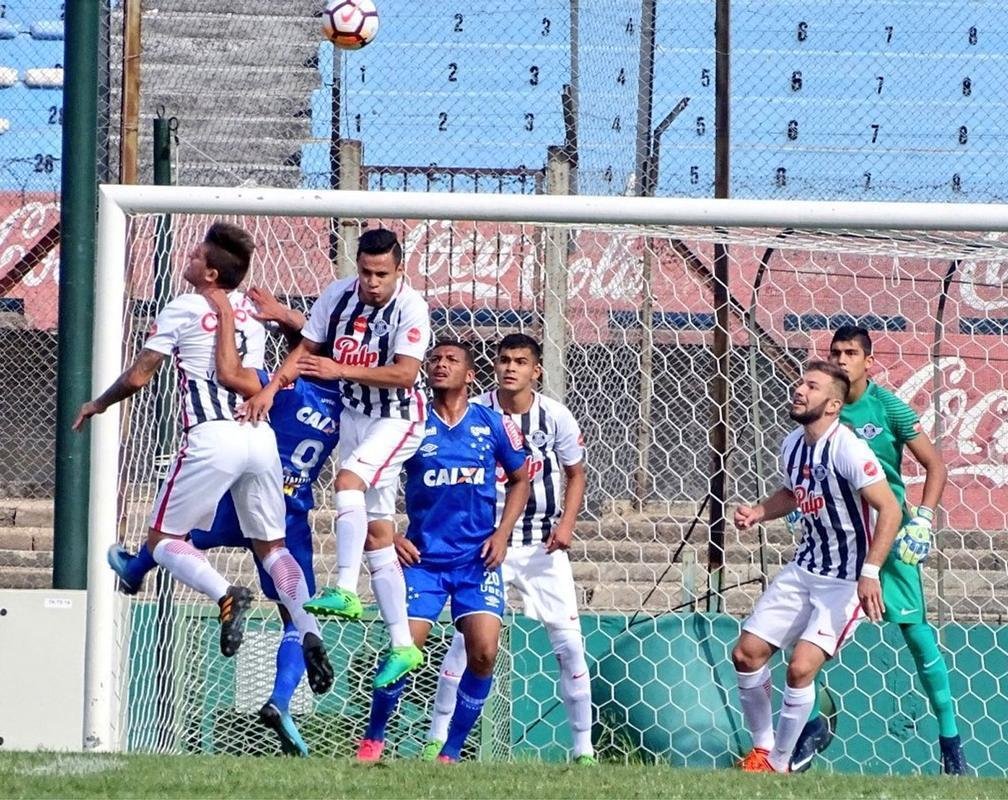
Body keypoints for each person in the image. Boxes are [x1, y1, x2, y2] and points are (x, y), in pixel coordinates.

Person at [74, 222, 333, 698]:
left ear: (210, 273)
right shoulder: (253, 311)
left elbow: (138, 377)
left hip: (212, 437)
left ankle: (223, 594)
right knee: (273, 548)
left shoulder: (184, 307)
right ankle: (306, 622)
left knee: (164, 538)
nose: (187, 258)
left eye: (195, 256)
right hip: (260, 437)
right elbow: (296, 349)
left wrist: (98, 404)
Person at [105, 286, 339, 757]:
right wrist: (289, 319)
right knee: (296, 608)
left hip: (232, 498)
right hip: (287, 506)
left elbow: (231, 373)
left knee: (170, 537)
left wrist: (235, 314)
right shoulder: (346, 411)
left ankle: (134, 571)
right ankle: (280, 699)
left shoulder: (279, 385)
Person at [239, 227, 428, 688]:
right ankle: (403, 645)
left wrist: (339, 369)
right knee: (379, 535)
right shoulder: (339, 295)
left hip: (398, 417)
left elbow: (405, 375)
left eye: (381, 273)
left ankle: (345, 588)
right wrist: (269, 388)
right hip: (357, 417)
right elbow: (306, 349)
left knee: (347, 483)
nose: (372, 282)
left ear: (399, 270)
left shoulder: (411, 307)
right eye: (365, 272)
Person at [789, 325, 967, 775]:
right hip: (837, 540)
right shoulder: (821, 410)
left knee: (916, 635)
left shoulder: (888, 407)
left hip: (888, 536)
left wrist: (924, 519)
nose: (842, 359)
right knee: (799, 631)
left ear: (870, 362)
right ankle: (811, 727)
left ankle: (951, 746)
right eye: (835, 352)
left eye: (851, 353)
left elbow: (935, 465)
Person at [420, 333, 596, 765]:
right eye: (503, 360)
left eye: (520, 361)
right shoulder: (475, 411)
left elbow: (576, 474)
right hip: (485, 546)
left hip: (541, 546)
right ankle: (436, 738)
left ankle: (583, 749)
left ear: (536, 370)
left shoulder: (555, 417)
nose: (510, 368)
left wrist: (567, 524)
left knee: (569, 644)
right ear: (493, 367)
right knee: (466, 645)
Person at [355, 340, 530, 763]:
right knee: (404, 651)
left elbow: (521, 479)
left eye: (451, 360)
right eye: (434, 359)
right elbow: (365, 481)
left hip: (476, 560)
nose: (440, 365)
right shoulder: (409, 426)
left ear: (470, 375)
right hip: (423, 562)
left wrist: (503, 534)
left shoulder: (493, 424)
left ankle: (450, 752)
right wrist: (389, 535)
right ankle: (372, 741)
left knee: (485, 652)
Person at [732, 360, 902, 774]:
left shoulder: (849, 448)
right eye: (799, 383)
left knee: (800, 667)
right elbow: (793, 493)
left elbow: (890, 509)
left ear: (832, 405)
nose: (799, 390)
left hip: (844, 581)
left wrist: (870, 572)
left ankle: (780, 763)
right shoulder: (792, 443)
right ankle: (762, 749)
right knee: (746, 654)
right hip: (804, 568)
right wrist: (759, 511)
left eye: (811, 386)